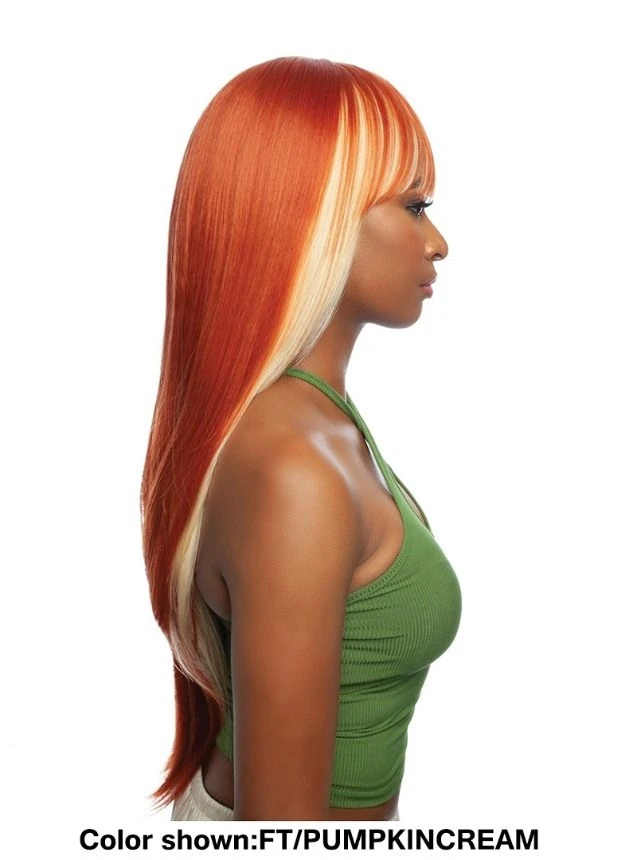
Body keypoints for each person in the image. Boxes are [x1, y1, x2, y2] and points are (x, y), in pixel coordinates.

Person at [140, 55, 462, 822]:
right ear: (316, 218)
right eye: (414, 206)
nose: (438, 242)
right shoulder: (294, 469)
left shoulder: (316, 421)